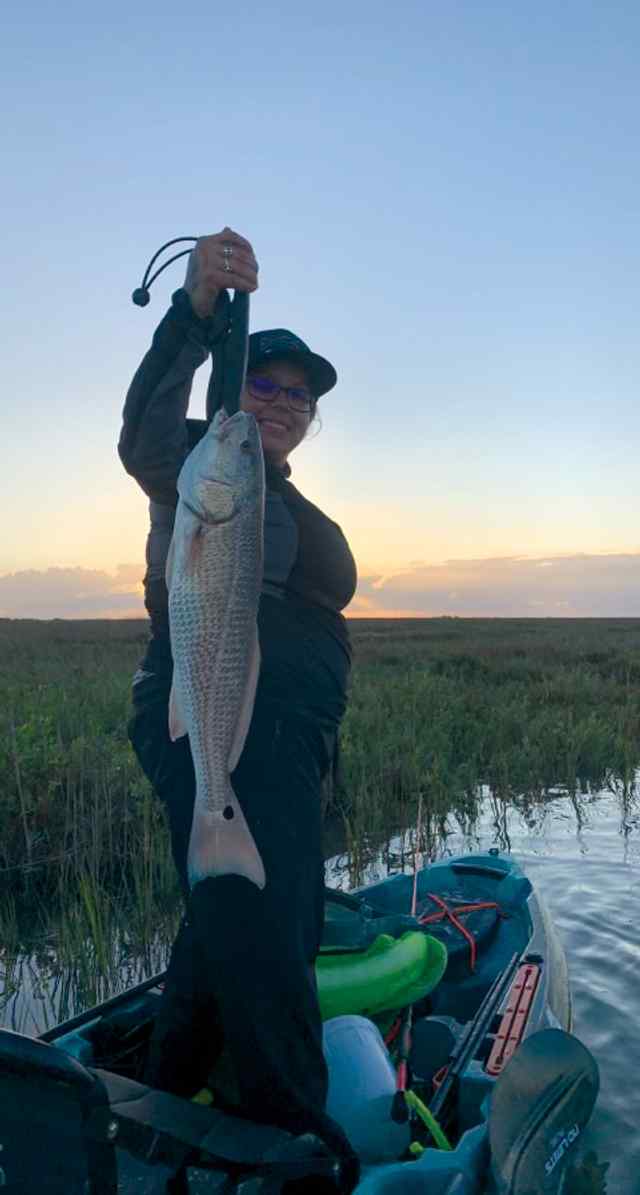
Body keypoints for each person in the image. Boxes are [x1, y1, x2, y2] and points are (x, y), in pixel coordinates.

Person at [118, 228, 359, 1188]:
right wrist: (195, 316)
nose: (284, 405)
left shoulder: (282, 498)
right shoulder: (195, 466)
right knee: (273, 933)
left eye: (300, 396)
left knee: (229, 915)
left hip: (286, 743)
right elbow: (144, 428)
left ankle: (166, 1089)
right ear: (232, 390)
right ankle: (291, 1139)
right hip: (218, 722)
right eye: (265, 385)